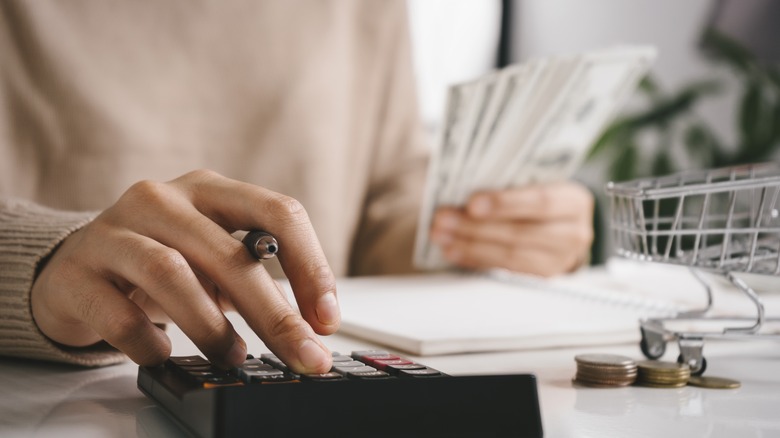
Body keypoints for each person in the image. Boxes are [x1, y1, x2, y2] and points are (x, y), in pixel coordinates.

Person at [0, 1, 593, 374]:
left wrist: (481, 227)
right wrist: (41, 262)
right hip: (55, 391)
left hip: (314, 376)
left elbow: (388, 196)